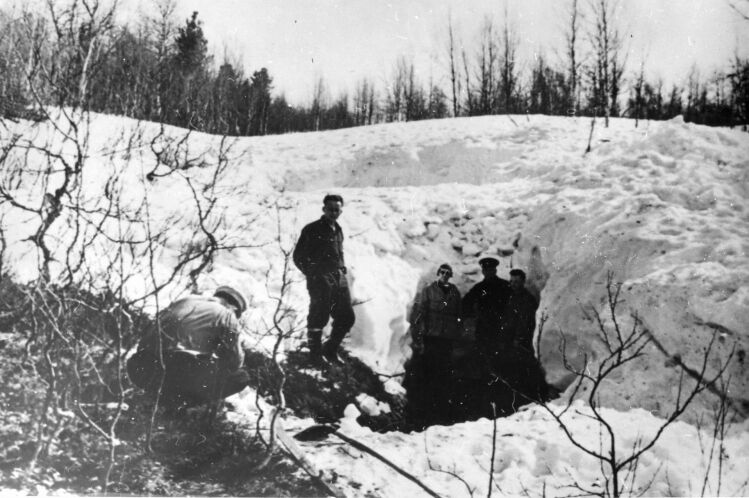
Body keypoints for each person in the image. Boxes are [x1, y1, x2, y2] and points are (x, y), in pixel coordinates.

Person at [127, 286, 250, 409]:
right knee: (241, 377)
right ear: (233, 307)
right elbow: (234, 362)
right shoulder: (227, 315)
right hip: (175, 371)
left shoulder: (185, 300)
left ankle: (159, 400)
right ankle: (175, 407)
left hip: (139, 366)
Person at [293, 194, 355, 365]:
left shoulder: (339, 229)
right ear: (324, 209)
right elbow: (298, 256)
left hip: (338, 278)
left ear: (341, 210)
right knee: (318, 316)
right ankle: (314, 356)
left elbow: (338, 253)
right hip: (320, 279)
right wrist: (314, 274)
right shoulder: (312, 229)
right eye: (330, 209)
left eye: (337, 209)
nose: (334, 213)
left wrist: (342, 268)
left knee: (347, 316)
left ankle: (330, 349)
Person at [408, 263, 463, 426]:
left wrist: (457, 335)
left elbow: (459, 315)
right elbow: (420, 314)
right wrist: (419, 337)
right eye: (443, 272)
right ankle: (425, 411)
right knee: (428, 374)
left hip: (446, 340)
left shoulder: (455, 292)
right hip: (431, 338)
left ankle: (441, 411)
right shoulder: (429, 290)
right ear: (438, 274)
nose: (445, 275)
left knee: (444, 374)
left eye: (448, 273)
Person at [496, 268, 547, 402]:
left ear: (523, 282)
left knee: (520, 371)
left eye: (516, 282)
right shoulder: (512, 296)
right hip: (510, 340)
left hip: (520, 342)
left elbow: (525, 321)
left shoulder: (527, 299)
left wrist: (518, 338)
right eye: (511, 281)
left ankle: (523, 399)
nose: (513, 284)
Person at [461, 257, 511, 376]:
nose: (488, 272)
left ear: (495, 270)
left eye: (491, 269)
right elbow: (466, 303)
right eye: (486, 270)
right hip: (483, 326)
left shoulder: (505, 286)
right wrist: (471, 318)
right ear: (483, 271)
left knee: (499, 354)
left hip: (500, 325)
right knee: (483, 353)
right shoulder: (478, 288)